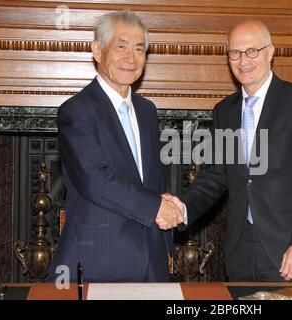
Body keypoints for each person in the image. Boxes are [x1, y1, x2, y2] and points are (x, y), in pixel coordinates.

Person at [163, 19, 292, 282]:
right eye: (235, 53)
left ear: (270, 52)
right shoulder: (224, 111)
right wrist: (182, 208)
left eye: (252, 51)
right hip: (239, 252)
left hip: (291, 252)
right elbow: (215, 177)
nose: (244, 61)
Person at [47, 10, 183, 283]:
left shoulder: (147, 111)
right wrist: (157, 208)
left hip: (151, 261)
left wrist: (165, 242)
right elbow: (94, 179)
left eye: (139, 49)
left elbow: (149, 180)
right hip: (98, 260)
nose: (130, 58)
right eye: (120, 47)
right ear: (97, 50)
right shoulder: (77, 111)